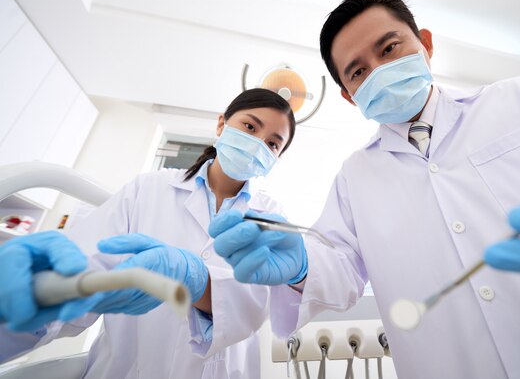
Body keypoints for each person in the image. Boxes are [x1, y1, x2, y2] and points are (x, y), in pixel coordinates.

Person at [209, 0, 520, 378]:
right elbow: (338, 269)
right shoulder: (356, 177)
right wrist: (301, 266)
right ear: (350, 96)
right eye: (358, 71)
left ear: (425, 43)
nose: (380, 71)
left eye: (389, 48)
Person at [0, 88, 297, 378]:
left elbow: (258, 302)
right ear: (222, 123)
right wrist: (34, 299)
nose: (257, 144)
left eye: (272, 144)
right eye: (249, 126)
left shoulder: (270, 216)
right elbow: (85, 269)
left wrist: (196, 280)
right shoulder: (148, 189)